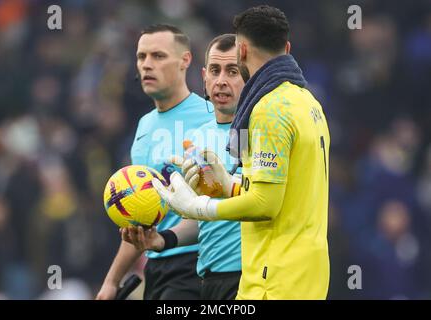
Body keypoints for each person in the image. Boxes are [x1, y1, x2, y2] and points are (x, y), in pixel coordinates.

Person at [151, 5, 330, 300]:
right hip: (309, 274)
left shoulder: (269, 109)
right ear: (286, 47)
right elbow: (284, 195)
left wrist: (199, 208)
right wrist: (230, 186)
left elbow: (264, 205)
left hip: (273, 279)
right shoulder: (308, 102)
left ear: (242, 50)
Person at [122, 34, 246, 300]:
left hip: (249, 277)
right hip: (209, 279)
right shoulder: (198, 139)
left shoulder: (252, 131)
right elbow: (198, 220)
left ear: (249, 76)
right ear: (204, 77)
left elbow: (261, 203)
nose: (221, 80)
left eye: (232, 71)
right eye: (215, 71)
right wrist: (163, 239)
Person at [96, 24, 214, 300]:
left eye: (158, 56)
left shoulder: (211, 117)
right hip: (156, 266)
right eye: (141, 57)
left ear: (185, 61)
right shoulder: (144, 126)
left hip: (198, 263)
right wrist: (112, 281)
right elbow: (141, 222)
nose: (147, 65)